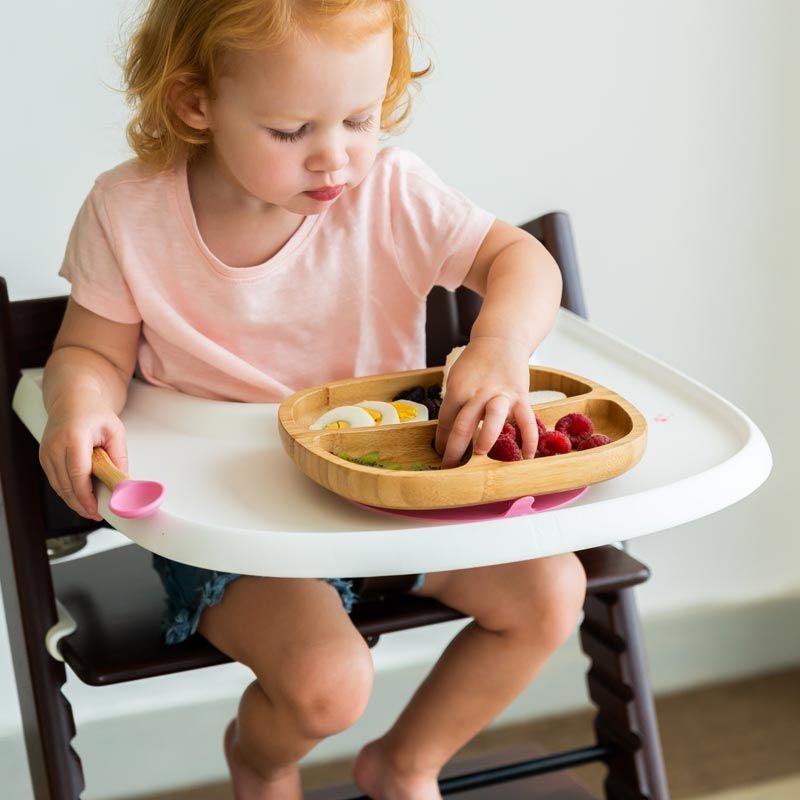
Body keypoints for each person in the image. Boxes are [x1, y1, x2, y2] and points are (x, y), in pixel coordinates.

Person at [39, 1, 587, 798]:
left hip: (388, 493)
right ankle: (261, 760)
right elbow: (88, 351)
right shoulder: (129, 213)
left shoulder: (390, 191)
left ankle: (406, 763)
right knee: (332, 684)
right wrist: (78, 404)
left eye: (360, 118)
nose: (335, 159)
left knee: (550, 593)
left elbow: (521, 260)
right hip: (238, 521)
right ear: (197, 103)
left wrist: (498, 348)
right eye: (292, 131)